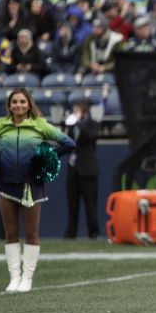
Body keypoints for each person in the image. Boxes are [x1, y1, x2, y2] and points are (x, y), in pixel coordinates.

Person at [0, 88, 75, 293]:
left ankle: (27, 278)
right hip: (5, 184)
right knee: (10, 232)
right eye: (14, 102)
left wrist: (47, 155)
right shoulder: (0, 125)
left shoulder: (39, 125)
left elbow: (69, 143)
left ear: (29, 104)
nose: (18, 105)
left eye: (22, 102)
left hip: (31, 185)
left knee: (31, 233)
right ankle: (14, 277)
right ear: (9, 105)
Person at [63, 100, 100, 240]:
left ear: (84, 111)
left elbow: (91, 135)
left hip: (88, 170)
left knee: (90, 204)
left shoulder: (93, 124)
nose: (74, 113)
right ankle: (70, 232)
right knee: (72, 204)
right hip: (73, 170)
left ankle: (94, 232)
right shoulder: (72, 126)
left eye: (76, 110)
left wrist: (80, 122)